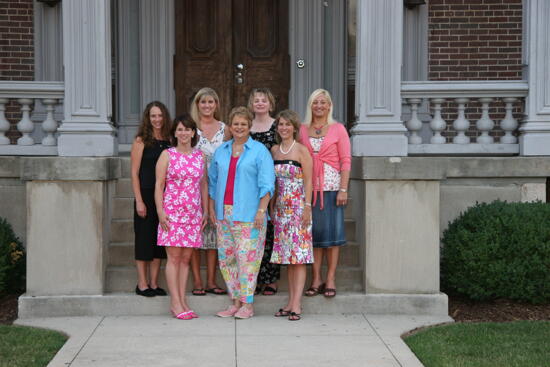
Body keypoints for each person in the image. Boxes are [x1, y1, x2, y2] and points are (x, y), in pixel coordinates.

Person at [209, 106, 275, 319]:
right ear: (230, 126)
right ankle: (235, 302)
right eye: (235, 124)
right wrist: (212, 209)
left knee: (248, 260)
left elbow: (267, 184)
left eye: (243, 124)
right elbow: (212, 183)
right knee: (227, 259)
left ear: (250, 127)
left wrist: (261, 211)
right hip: (223, 213)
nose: (239, 127)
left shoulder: (259, 151)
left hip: (249, 214)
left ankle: (247, 305)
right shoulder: (222, 151)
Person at [155, 114, 208, 320]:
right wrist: (160, 212)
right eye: (180, 129)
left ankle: (183, 300)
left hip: (193, 214)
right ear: (174, 133)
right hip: (172, 213)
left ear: (193, 133)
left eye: (187, 129)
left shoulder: (200, 156)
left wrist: (204, 210)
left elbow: (203, 184)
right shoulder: (167, 155)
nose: (184, 133)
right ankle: (175, 303)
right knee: (174, 258)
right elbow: (159, 185)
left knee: (186, 259)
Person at [299, 89, 351, 298]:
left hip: (332, 189)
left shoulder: (338, 129)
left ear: (329, 106)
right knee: (315, 236)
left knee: (334, 235)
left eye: (323, 102)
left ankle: (330, 278)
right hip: (310, 190)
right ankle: (316, 278)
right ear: (310, 106)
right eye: (315, 102)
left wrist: (343, 189)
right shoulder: (302, 130)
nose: (319, 106)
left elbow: (346, 160)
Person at [270, 110, 313, 321]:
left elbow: (309, 181)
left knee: (299, 257)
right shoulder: (275, 150)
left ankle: (297, 304)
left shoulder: (302, 150)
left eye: (287, 124)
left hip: (298, 208)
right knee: (287, 257)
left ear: (295, 127)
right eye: (280, 124)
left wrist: (307, 206)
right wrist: (271, 205)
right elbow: (273, 182)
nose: (284, 128)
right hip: (280, 210)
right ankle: (289, 301)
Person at [189, 87, 229, 296]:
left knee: (213, 233)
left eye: (211, 102)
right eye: (203, 102)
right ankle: (197, 281)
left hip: (218, 186)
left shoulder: (225, 128)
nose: (207, 106)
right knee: (196, 234)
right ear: (197, 104)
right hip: (193, 186)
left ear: (216, 105)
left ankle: (212, 280)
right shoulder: (189, 127)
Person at [130, 101, 171, 297]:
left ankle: (154, 283)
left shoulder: (170, 140)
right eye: (153, 116)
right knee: (144, 240)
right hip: (146, 194)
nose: (157, 119)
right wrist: (139, 200)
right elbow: (134, 172)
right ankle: (142, 284)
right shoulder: (141, 140)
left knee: (159, 241)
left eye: (160, 116)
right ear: (148, 118)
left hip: (165, 197)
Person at [248, 88, 280, 296]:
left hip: (273, 183)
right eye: (256, 100)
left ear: (270, 104)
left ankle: (270, 279)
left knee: (270, 231)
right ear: (251, 104)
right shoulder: (246, 125)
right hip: (249, 185)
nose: (260, 103)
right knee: (253, 233)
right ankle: (255, 278)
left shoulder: (278, 125)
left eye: (264, 100)